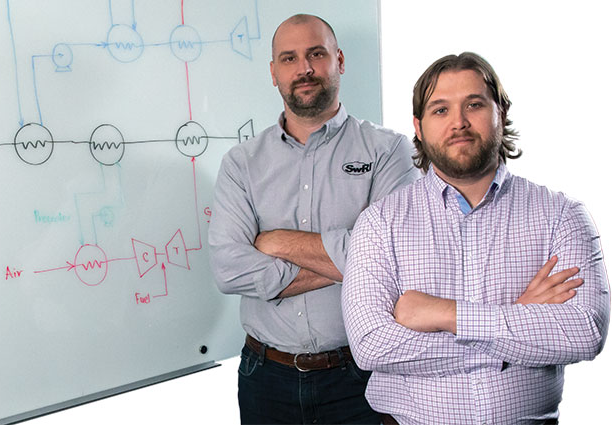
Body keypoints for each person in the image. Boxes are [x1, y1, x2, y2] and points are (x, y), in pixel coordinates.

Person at [342, 51, 610, 424]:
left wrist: (444, 313)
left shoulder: (561, 215)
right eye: (440, 110)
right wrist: (517, 324)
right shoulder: (379, 224)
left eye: (474, 105)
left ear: (501, 112)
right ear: (418, 128)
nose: (459, 122)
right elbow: (371, 347)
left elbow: (584, 331)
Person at [208, 13, 419, 424]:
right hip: (265, 378)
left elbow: (398, 257)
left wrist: (275, 241)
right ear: (273, 73)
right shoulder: (241, 163)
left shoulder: (389, 151)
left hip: (360, 375)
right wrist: (356, 259)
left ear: (339, 60)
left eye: (315, 54)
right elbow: (229, 270)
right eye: (288, 58)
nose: (303, 68)